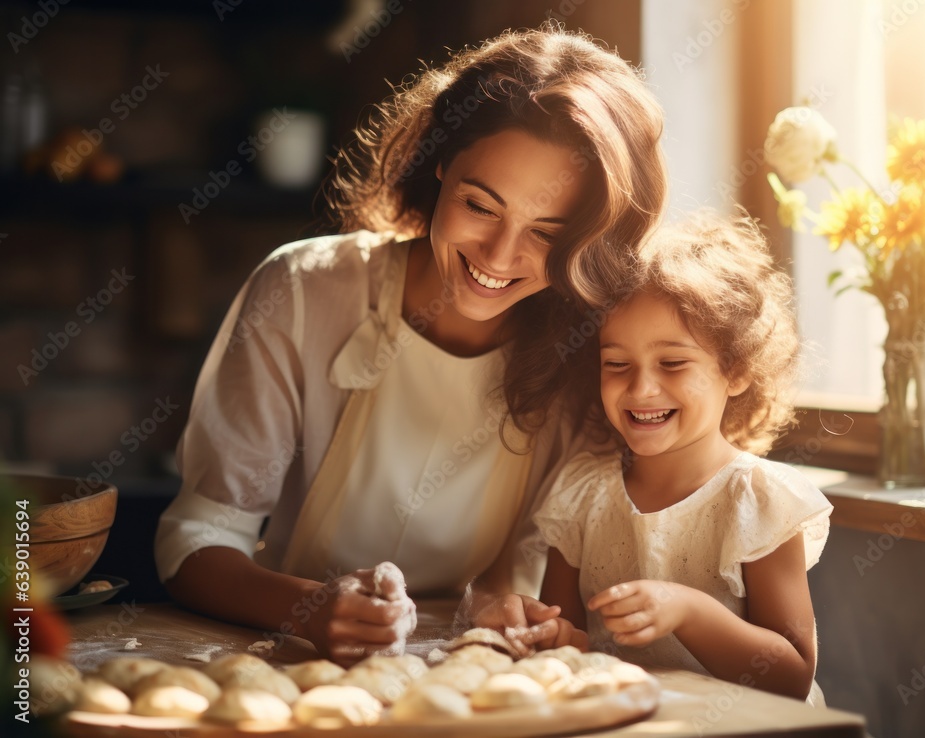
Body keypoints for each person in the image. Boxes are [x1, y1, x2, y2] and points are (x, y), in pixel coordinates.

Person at [153, 24, 667, 665]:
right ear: (441, 163)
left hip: (474, 677)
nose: (500, 258)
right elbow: (197, 540)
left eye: (547, 233)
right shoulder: (304, 291)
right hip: (292, 664)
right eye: (481, 206)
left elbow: (546, 575)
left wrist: (509, 606)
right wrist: (307, 608)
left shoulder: (593, 354)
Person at [530, 210, 833, 703]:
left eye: (672, 362)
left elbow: (792, 675)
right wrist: (548, 636)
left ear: (735, 371)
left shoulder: (758, 500)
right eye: (616, 364)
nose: (642, 387)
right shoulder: (581, 495)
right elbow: (566, 645)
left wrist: (689, 610)